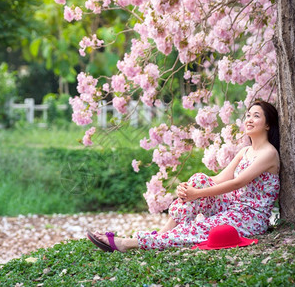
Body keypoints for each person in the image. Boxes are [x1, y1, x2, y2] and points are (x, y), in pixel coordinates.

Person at [87, 100, 280, 252]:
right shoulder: (245, 151)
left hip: (250, 218)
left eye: (256, 116)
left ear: (268, 125)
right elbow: (219, 179)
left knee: (200, 227)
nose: (249, 119)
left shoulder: (268, 153)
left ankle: (129, 243)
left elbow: (238, 182)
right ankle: (163, 233)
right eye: (248, 115)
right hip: (232, 208)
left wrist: (197, 194)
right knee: (199, 179)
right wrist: (190, 189)